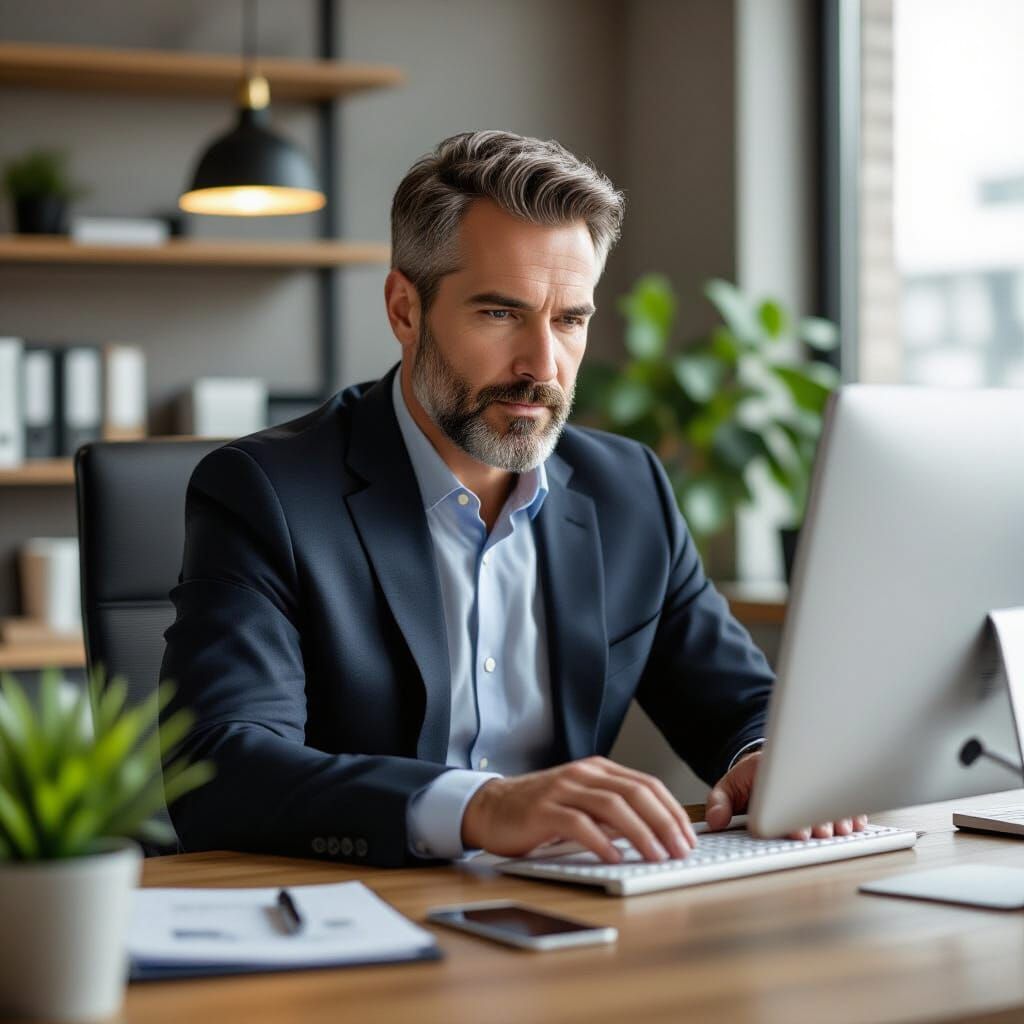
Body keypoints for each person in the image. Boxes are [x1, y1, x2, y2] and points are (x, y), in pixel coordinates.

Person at [161, 130, 862, 869]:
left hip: (568, 913)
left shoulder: (628, 490)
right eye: (499, 314)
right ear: (405, 309)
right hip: (366, 914)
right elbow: (221, 767)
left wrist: (765, 758)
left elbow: (742, 704)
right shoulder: (267, 492)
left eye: (570, 320)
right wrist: (478, 807)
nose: (542, 366)